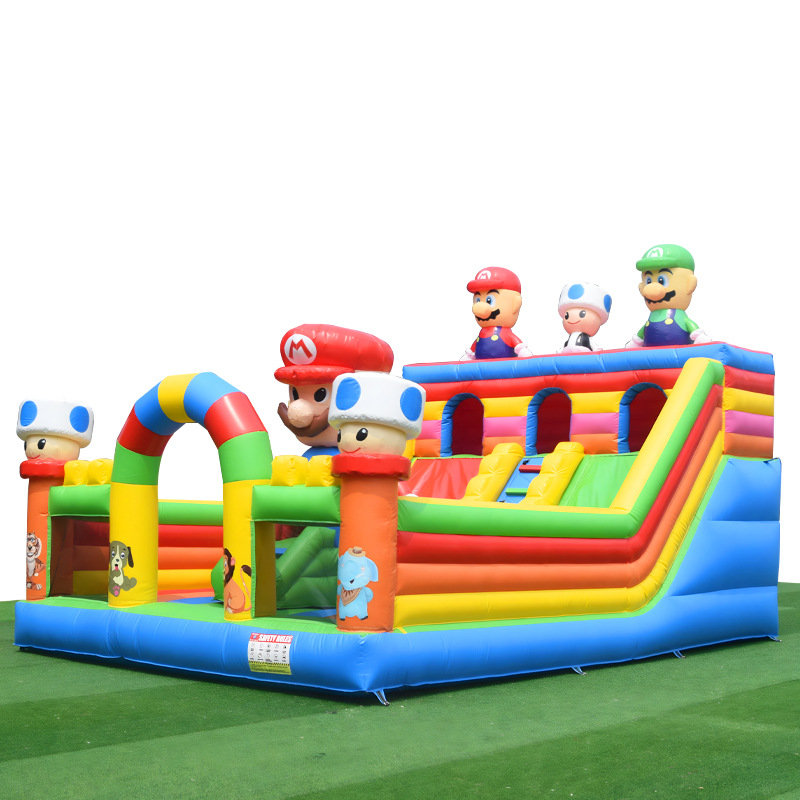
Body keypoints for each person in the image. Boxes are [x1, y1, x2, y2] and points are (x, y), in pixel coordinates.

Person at [628, 244, 711, 347]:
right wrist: (636, 341)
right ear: (641, 287)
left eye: (661, 280)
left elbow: (688, 323)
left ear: (690, 284)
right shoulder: (653, 315)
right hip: (650, 352)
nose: (651, 288)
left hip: (677, 351)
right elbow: (644, 329)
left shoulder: (679, 316)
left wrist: (699, 336)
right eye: (648, 281)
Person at [461, 267, 531, 359]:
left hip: (504, 365)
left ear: (515, 304)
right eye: (478, 300)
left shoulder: (506, 333)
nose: (478, 307)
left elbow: (514, 341)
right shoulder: (482, 332)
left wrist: (522, 350)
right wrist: (469, 355)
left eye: (489, 300)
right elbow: (475, 346)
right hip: (481, 366)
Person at [557, 282, 612, 353]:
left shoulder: (586, 338)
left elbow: (594, 346)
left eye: (582, 314)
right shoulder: (570, 338)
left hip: (584, 355)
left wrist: (596, 350)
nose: (573, 319)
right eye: (567, 316)